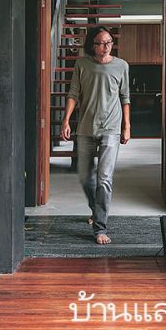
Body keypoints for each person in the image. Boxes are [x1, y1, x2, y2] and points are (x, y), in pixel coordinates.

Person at [60, 26, 130, 245]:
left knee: (104, 179)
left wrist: (126, 126)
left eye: (109, 42)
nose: (106, 46)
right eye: (101, 43)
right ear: (92, 45)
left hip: (111, 127)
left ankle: (100, 227)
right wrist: (66, 120)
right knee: (85, 177)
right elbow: (73, 94)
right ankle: (95, 208)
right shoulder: (82, 65)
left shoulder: (121, 66)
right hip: (86, 127)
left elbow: (125, 97)